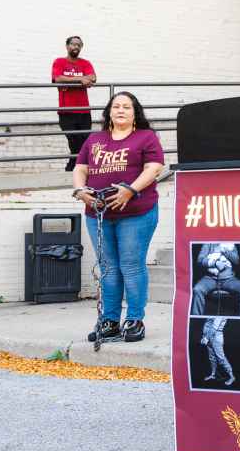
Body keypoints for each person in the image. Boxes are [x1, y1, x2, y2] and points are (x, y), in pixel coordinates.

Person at [73, 91, 163, 343]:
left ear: (135, 113)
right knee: (108, 268)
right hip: (98, 214)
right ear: (109, 113)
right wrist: (80, 190)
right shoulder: (95, 139)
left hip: (136, 213)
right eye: (116, 106)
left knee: (131, 266)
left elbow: (154, 168)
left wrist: (130, 190)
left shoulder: (146, 137)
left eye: (127, 107)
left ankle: (134, 320)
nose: (121, 110)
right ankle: (110, 321)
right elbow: (81, 168)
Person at [53, 35, 96, 172]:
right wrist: (81, 79)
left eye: (79, 45)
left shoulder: (85, 63)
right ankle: (75, 167)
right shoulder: (59, 62)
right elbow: (58, 78)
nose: (76, 47)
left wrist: (73, 80)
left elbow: (93, 78)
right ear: (67, 46)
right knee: (73, 140)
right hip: (66, 111)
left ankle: (74, 168)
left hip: (84, 111)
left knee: (84, 141)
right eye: (73, 44)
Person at [190, 243, 240, 317]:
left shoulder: (230, 243)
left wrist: (224, 251)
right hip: (210, 279)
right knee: (198, 289)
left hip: (229, 279)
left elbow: (236, 260)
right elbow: (200, 260)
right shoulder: (208, 243)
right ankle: (196, 320)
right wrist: (215, 263)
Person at [201, 317, 235, 386]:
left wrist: (206, 338)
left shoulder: (221, 312)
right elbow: (208, 323)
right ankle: (213, 374)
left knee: (221, 358)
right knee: (212, 357)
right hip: (209, 336)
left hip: (215, 337)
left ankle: (232, 377)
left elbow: (214, 328)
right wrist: (204, 336)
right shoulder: (214, 309)